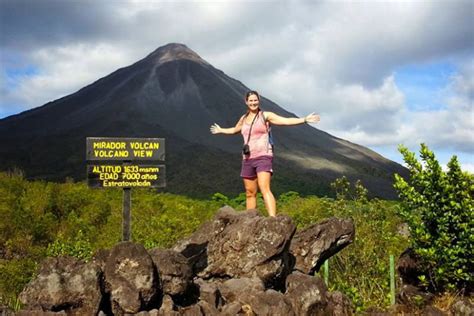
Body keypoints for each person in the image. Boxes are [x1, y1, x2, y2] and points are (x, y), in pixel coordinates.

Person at [210, 90, 320, 217]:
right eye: (250, 100)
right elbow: (235, 130)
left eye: (255, 100)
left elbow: (284, 121)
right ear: (246, 102)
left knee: (264, 188)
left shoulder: (265, 115)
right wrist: (221, 130)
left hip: (263, 156)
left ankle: (272, 220)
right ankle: (250, 219)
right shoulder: (244, 118)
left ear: (259, 101)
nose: (253, 103)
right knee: (250, 192)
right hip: (247, 158)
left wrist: (304, 119)